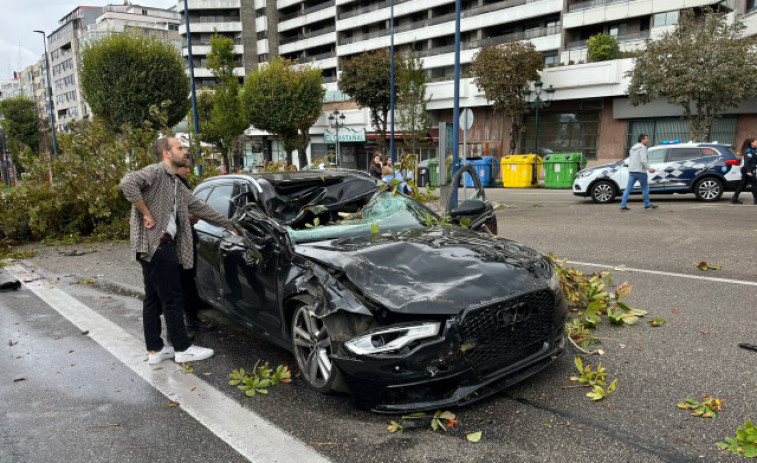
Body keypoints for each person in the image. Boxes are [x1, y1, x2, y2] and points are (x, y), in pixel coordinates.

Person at [121, 137, 236, 364]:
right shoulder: (155, 172)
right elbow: (127, 183)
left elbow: (199, 207)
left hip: (152, 247)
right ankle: (182, 349)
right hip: (158, 245)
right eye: (180, 148)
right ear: (166, 153)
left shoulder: (174, 183)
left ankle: (156, 349)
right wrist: (146, 213)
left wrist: (229, 224)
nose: (185, 152)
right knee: (173, 298)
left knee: (153, 299)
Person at [175, 164, 214, 333]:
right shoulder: (169, 186)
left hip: (187, 239)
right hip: (174, 242)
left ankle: (191, 319)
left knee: (188, 282)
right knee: (178, 285)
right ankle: (179, 327)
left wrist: (195, 237)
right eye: (183, 167)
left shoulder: (183, 185)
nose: (188, 170)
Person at [619, 133, 657, 211]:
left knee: (628, 188)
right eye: (646, 139)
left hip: (632, 171)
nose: (647, 140)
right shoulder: (643, 148)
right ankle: (647, 205)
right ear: (642, 140)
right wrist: (650, 169)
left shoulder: (633, 148)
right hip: (641, 171)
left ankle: (623, 205)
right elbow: (643, 161)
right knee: (645, 188)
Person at [731, 137, 757, 204]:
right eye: (756, 141)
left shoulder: (754, 150)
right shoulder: (750, 151)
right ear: (752, 143)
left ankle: (734, 198)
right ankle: (756, 200)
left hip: (749, 169)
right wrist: (748, 171)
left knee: (742, 185)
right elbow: (747, 162)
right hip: (749, 170)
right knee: (755, 185)